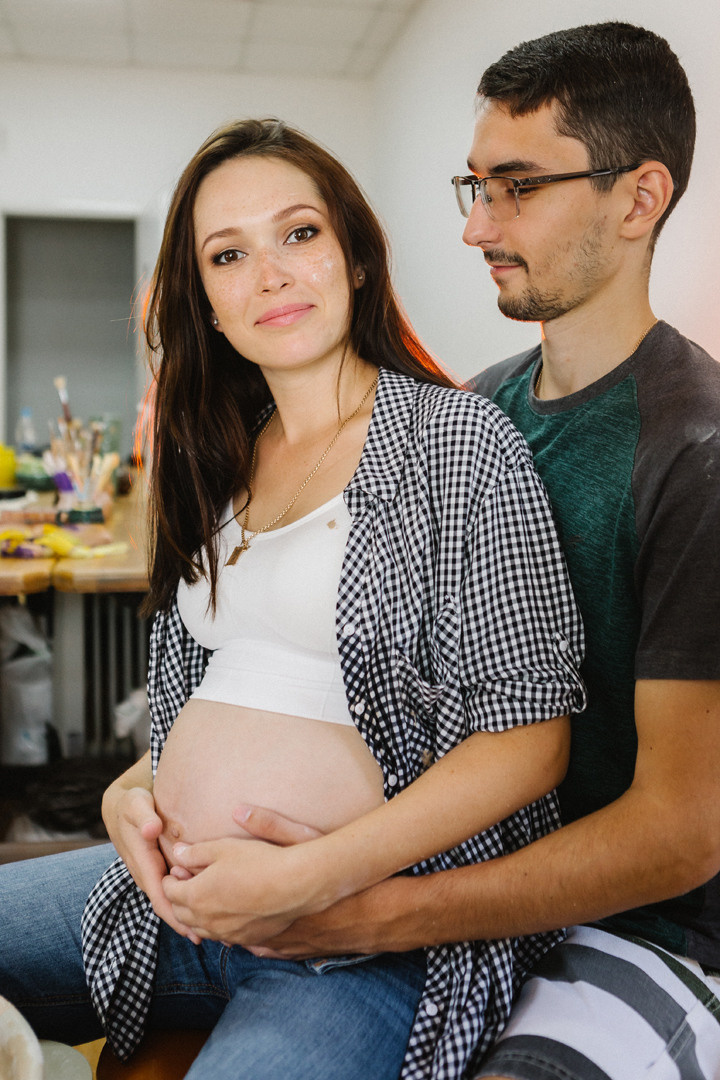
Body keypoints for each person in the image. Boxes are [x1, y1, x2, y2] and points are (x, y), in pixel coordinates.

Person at [0, 119, 585, 1080]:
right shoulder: (215, 459)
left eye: (299, 234)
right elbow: (214, 692)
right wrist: (128, 793)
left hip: (361, 937)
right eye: (229, 254)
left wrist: (315, 873)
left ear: (355, 257)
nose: (269, 274)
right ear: (209, 304)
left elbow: (530, 740)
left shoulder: (459, 443)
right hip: (173, 897)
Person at [230, 23, 720, 1080]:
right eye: (474, 187)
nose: (476, 228)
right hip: (446, 874)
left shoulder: (697, 456)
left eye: (517, 188)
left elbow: (681, 836)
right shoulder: (473, 411)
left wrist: (375, 913)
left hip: (642, 931)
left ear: (638, 200)